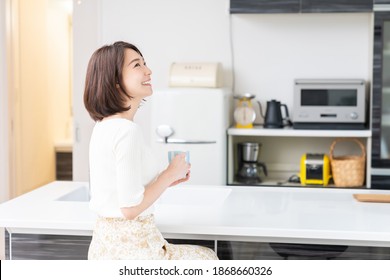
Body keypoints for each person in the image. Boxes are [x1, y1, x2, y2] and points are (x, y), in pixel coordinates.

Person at [84, 41, 218, 260]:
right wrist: (168, 175)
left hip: (104, 248)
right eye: (137, 65)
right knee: (207, 257)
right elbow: (130, 209)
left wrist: (166, 179)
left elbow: (119, 190)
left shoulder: (103, 126)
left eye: (144, 63)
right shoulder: (127, 131)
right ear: (115, 81)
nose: (148, 70)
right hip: (135, 251)